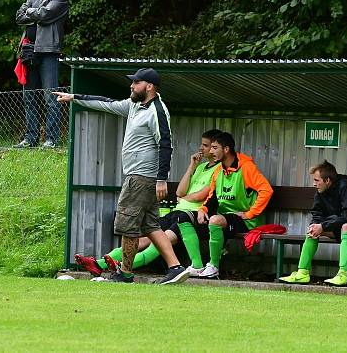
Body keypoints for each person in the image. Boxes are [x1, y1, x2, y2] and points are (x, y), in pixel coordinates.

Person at [53, 68, 189, 284]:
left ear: (150, 87)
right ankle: (175, 268)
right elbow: (106, 103)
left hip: (141, 178)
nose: (131, 86)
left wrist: (162, 179)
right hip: (141, 178)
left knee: (128, 225)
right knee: (151, 226)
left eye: (136, 83)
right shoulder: (134, 105)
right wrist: (74, 98)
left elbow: (166, 145)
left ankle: (125, 273)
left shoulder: (157, 111)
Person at [74, 129, 222, 278]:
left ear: (216, 147)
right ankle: (99, 263)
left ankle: (120, 267)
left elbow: (202, 195)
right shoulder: (201, 167)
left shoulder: (219, 169)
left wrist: (184, 199)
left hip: (191, 217)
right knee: (142, 239)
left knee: (155, 246)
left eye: (206, 145)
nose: (201, 148)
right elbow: (179, 192)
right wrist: (192, 166)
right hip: (177, 212)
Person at [279, 160, 347, 286]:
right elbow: (317, 213)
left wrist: (323, 225)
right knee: (312, 230)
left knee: (346, 227)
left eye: (317, 180)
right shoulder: (320, 191)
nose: (314, 184)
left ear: (327, 180)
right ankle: (302, 273)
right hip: (343, 226)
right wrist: (316, 225)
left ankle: (343, 275)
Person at [196, 131, 273, 279]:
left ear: (226, 149)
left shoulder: (246, 167)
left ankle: (213, 266)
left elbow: (266, 190)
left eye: (214, 147)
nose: (211, 151)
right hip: (227, 218)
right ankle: (196, 265)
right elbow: (212, 196)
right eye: (210, 147)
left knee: (215, 221)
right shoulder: (218, 170)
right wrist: (203, 209)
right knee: (188, 220)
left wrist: (250, 214)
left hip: (246, 220)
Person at [15, 0, 69, 149]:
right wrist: (34, 13)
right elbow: (19, 16)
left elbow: (46, 14)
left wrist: (31, 12)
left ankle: (51, 139)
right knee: (29, 96)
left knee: (50, 97)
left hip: (48, 52)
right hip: (29, 50)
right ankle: (31, 138)